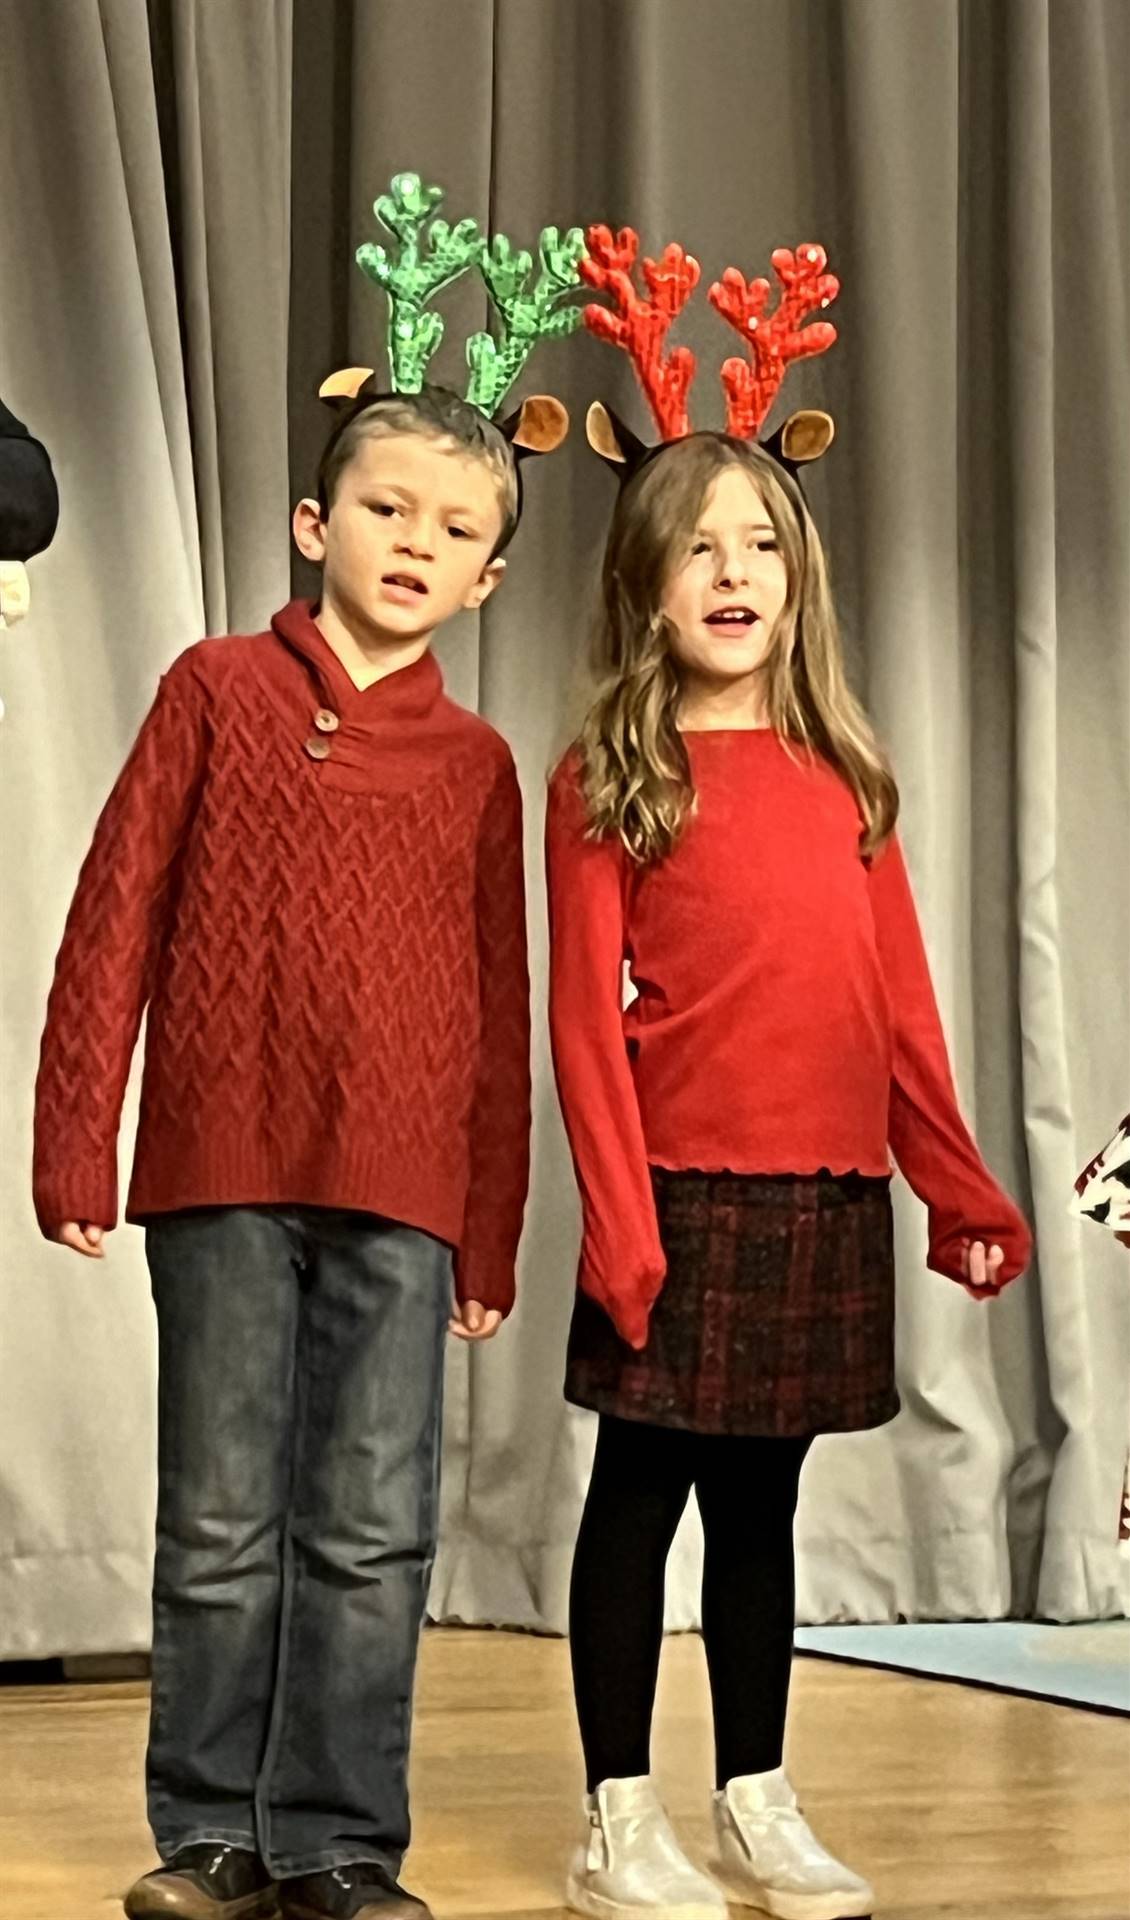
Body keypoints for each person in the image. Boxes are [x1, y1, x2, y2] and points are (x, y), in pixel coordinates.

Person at [33, 173, 581, 1920]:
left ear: (487, 574)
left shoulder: (477, 767)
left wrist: (486, 1225)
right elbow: (109, 920)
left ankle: (336, 1844)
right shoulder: (214, 689)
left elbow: (496, 1008)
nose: (411, 540)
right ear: (308, 520)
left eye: (450, 526)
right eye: (383, 506)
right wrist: (74, 1142)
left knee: (367, 1532)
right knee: (215, 1523)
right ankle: (206, 1832)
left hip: (405, 1192)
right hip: (218, 1171)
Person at [546, 226, 1033, 1920]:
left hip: (819, 1192)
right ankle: (619, 1820)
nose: (732, 571)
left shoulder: (847, 777)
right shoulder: (609, 777)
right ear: (644, 584)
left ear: (797, 575)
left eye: (760, 542)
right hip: (675, 1196)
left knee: (762, 1514)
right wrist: (619, 1225)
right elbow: (577, 1030)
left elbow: (898, 1012)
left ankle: (753, 1796)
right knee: (639, 1504)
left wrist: (956, 1177)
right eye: (696, 549)